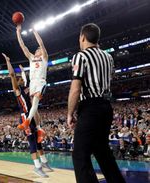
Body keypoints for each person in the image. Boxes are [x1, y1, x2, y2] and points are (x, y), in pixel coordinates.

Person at [67, 23, 126, 183]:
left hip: (90, 107)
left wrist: (70, 113)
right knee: (102, 152)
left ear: (83, 37)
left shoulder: (81, 56)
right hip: (106, 107)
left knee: (80, 155)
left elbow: (75, 89)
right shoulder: (108, 57)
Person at [2, 53, 53, 177]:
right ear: (19, 81)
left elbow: (28, 78)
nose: (23, 81)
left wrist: (24, 71)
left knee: (38, 140)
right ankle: (37, 167)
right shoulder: (17, 90)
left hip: (31, 117)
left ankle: (44, 162)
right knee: (32, 142)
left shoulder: (25, 88)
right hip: (24, 117)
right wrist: (8, 61)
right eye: (21, 80)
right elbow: (12, 75)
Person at [16, 25, 47, 141]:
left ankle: (27, 122)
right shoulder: (31, 57)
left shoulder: (44, 57)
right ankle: (39, 129)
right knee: (34, 106)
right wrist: (18, 32)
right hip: (32, 83)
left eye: (38, 49)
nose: (38, 49)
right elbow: (22, 46)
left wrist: (35, 31)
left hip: (41, 81)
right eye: (37, 49)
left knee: (35, 104)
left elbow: (42, 44)